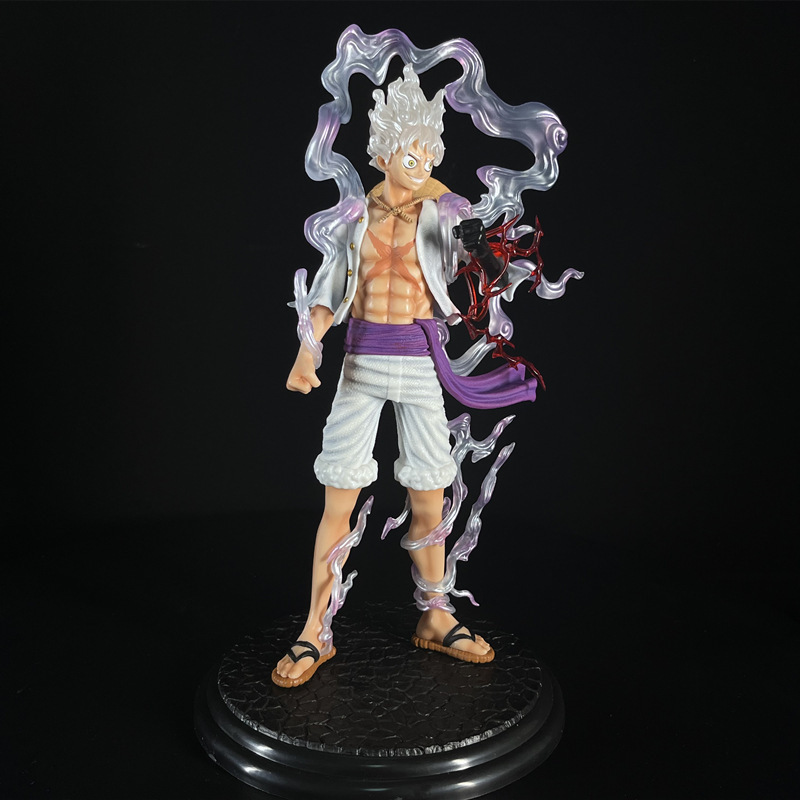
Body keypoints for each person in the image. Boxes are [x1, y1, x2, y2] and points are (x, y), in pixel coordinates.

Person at [272, 65, 501, 688]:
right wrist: (307, 349)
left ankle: (435, 613)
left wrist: (485, 249)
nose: (422, 163)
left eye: (430, 153)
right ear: (382, 153)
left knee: (430, 493)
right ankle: (316, 629)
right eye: (410, 153)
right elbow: (328, 291)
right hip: (360, 365)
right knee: (338, 498)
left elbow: (486, 276)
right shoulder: (354, 218)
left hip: (421, 364)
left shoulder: (444, 214)